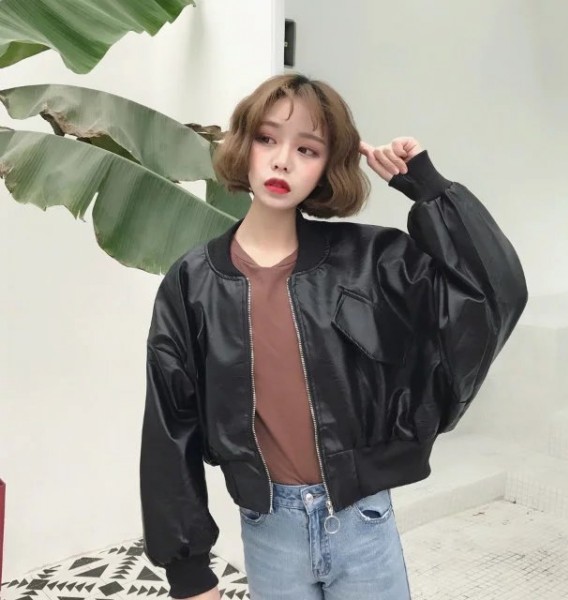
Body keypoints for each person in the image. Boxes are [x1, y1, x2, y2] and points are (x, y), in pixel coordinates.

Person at [139, 73, 528, 600]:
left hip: (363, 520)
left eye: (307, 148)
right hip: (269, 529)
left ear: (327, 166)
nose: (282, 161)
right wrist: (188, 570)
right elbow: (170, 424)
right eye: (267, 138)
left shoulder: (372, 261)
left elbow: (494, 292)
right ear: (244, 145)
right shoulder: (192, 282)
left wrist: (430, 189)